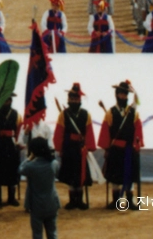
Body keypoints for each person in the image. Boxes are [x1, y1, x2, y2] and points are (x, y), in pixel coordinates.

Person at [98, 80, 142, 209]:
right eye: (121, 94)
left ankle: (130, 202)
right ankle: (116, 202)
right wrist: (106, 147)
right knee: (115, 177)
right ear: (116, 95)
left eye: (125, 94)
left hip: (129, 149)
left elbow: (137, 129)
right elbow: (106, 131)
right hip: (115, 149)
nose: (123, 96)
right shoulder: (110, 112)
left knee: (129, 175)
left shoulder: (133, 112)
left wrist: (137, 144)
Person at [53, 82, 95, 210]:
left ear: (79, 99)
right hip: (69, 148)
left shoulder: (85, 114)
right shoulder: (63, 114)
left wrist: (88, 147)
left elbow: (89, 131)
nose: (74, 100)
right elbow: (59, 132)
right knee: (71, 175)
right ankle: (72, 201)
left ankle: (80, 200)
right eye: (72, 98)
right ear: (68, 99)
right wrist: (59, 148)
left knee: (81, 174)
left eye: (76, 98)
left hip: (81, 148)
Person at [19, 136, 60, 239]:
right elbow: (57, 168)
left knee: (37, 234)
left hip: (36, 205)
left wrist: (29, 158)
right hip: (51, 202)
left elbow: (20, 170)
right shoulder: (53, 164)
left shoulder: (31, 167)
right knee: (52, 233)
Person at [0, 93, 22, 207]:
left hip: (11, 144)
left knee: (11, 169)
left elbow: (19, 130)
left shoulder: (16, 114)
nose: (6, 102)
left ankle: (11, 198)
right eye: (4, 99)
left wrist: (19, 143)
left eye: (8, 100)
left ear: (11, 100)